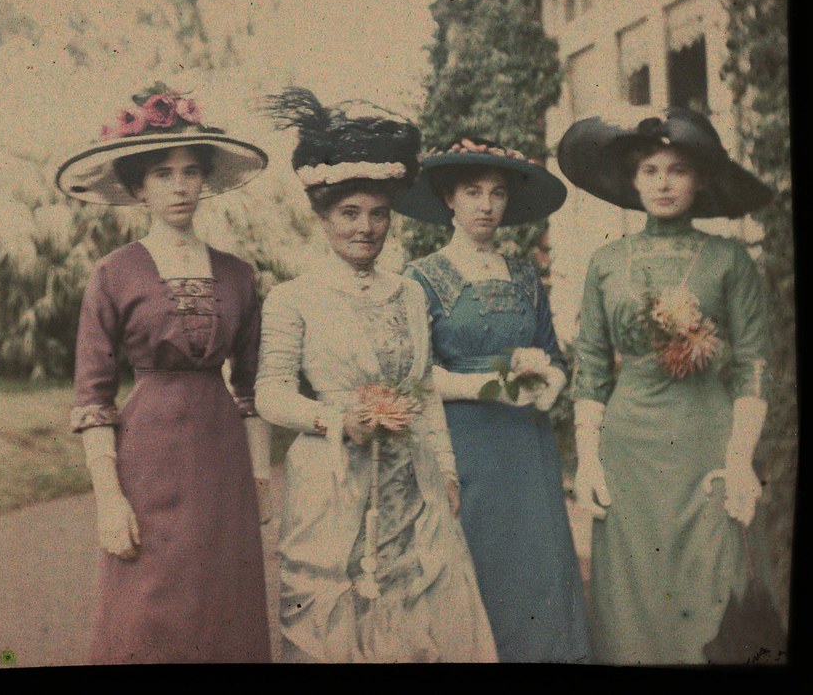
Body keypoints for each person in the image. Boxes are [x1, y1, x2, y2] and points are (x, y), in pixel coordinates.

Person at [255, 88, 497, 663]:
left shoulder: (410, 293)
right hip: (331, 483)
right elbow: (269, 392)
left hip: (411, 482)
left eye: (378, 213)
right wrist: (334, 419)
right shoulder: (295, 299)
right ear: (322, 216)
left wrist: (446, 465)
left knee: (421, 616)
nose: (365, 227)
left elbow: (422, 389)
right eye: (349, 213)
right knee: (332, 620)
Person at [56, 83, 272, 663]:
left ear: (205, 180)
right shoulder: (114, 274)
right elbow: (93, 395)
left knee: (223, 601)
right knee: (148, 602)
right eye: (162, 173)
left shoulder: (238, 275)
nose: (179, 186)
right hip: (147, 453)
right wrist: (108, 497)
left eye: (191, 171)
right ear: (137, 185)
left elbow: (250, 388)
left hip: (223, 456)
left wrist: (259, 480)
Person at [556, 107, 775, 664]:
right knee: (632, 599)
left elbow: (753, 363)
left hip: (707, 443)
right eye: (650, 169)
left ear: (699, 180)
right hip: (628, 448)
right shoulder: (606, 262)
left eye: (677, 169)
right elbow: (593, 370)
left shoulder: (729, 260)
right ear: (632, 179)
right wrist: (588, 461)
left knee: (711, 588)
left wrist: (741, 456)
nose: (663, 182)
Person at [395, 138, 591, 663]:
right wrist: (487, 385)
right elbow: (412, 374)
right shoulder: (420, 278)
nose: (486, 205)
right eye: (472, 191)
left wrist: (541, 374)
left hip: (527, 448)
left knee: (539, 570)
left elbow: (554, 358)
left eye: (498, 193)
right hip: (465, 447)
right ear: (448, 198)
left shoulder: (526, 274)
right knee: (479, 571)